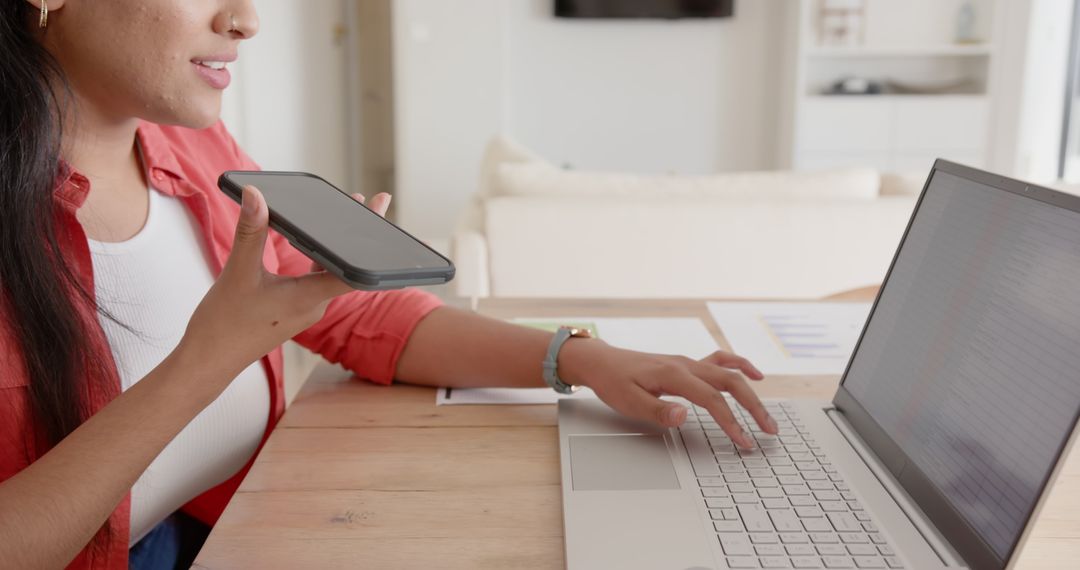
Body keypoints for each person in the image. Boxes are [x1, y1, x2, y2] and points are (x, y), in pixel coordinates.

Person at [0, 0, 777, 568]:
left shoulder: (187, 141)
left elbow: (348, 313)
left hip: (224, 532)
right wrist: (205, 362)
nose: (246, 20)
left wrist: (579, 357)